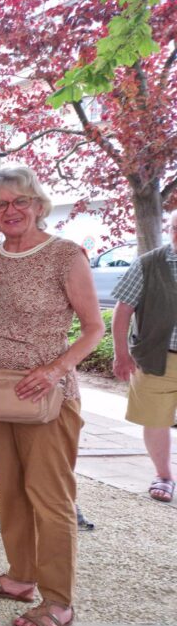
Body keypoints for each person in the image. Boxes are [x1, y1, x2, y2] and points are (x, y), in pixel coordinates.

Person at [0, 166, 103, 626]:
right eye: (0, 204)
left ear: (39, 205)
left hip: (47, 398)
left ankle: (59, 601)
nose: (10, 211)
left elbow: (94, 329)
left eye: (19, 201)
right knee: (10, 492)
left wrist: (53, 371)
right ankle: (20, 577)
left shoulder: (65, 254)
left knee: (51, 498)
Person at [111, 211, 177, 503]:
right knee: (155, 418)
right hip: (155, 356)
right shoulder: (148, 263)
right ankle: (164, 475)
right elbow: (123, 310)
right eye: (175, 228)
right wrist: (121, 354)